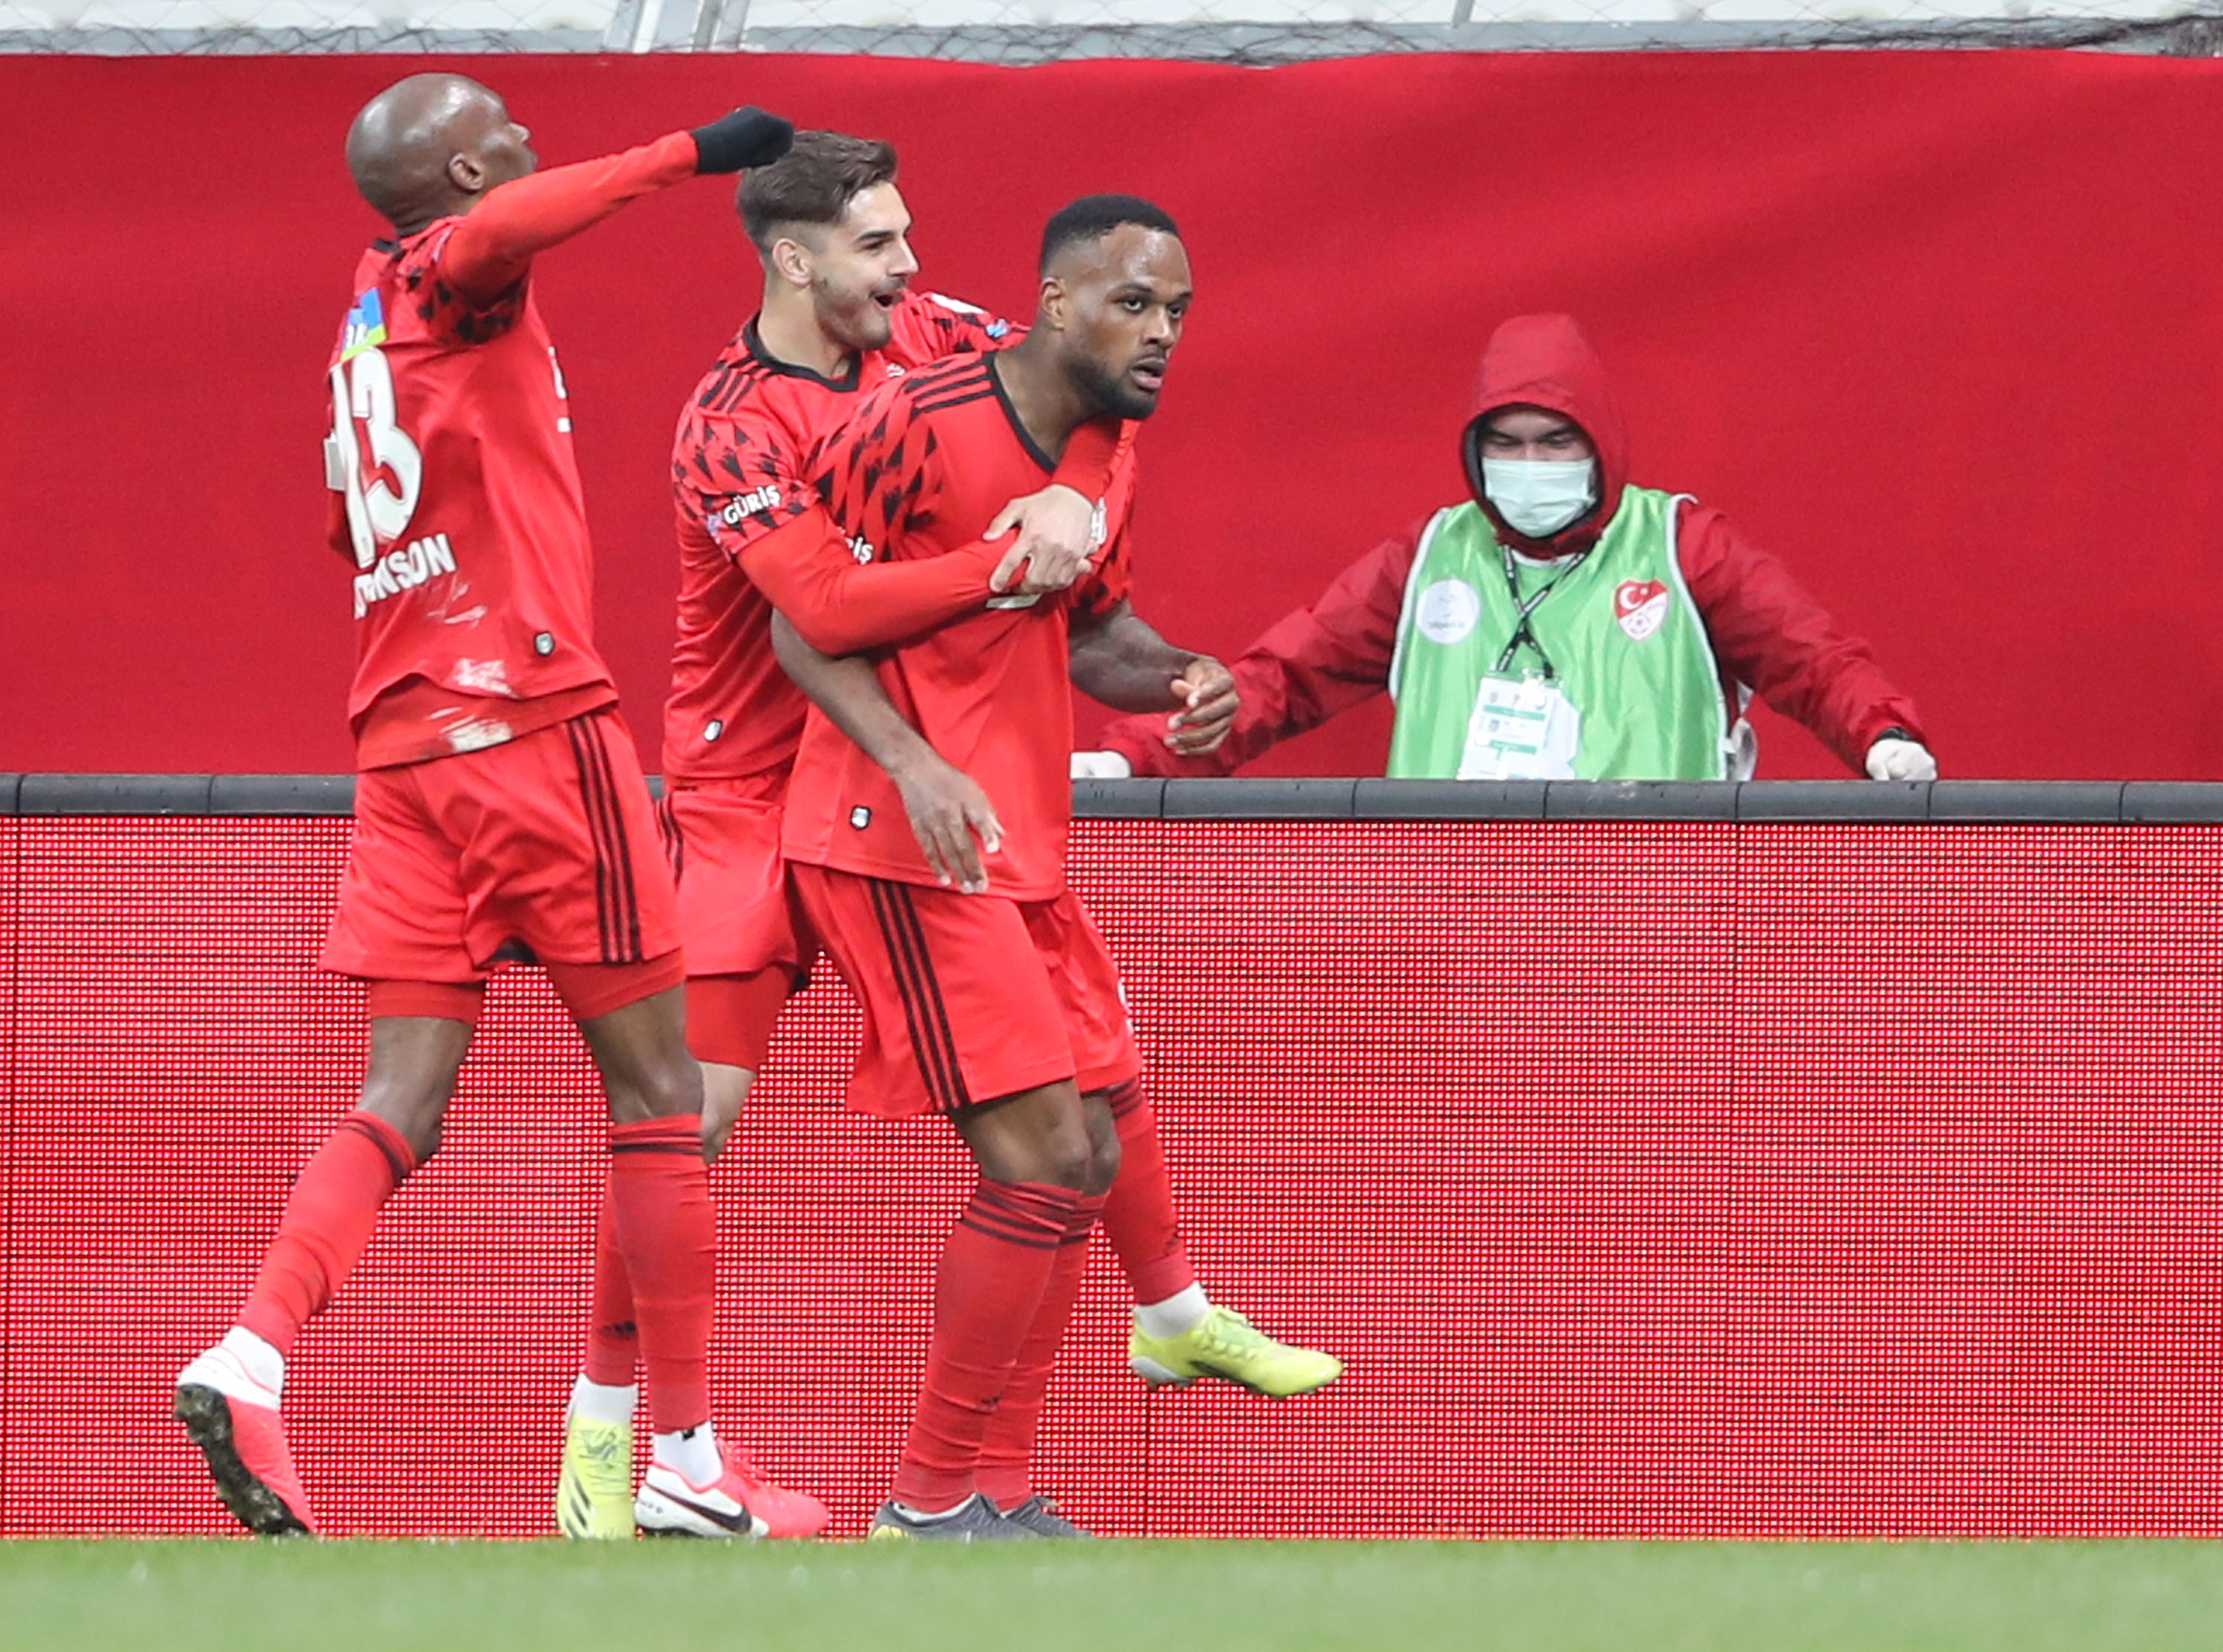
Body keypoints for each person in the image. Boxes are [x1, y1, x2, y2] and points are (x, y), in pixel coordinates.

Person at [558, 141, 1338, 1543]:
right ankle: (631, 1432)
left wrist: (1171, 660)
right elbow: (813, 606)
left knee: (1092, 1099)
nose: (912, 271)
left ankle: (1098, 1381)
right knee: (699, 1121)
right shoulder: (734, 424)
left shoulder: (982, 353)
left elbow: (1078, 514)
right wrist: (989, 590)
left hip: (943, 786)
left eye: (909, 237)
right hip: (767, 782)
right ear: (796, 263)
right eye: (877, 247)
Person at [171, 74, 794, 1540]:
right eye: (507, 127)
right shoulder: (448, 270)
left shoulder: (359, 326)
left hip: (400, 744)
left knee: (402, 1100)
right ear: (462, 169)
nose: (528, 138)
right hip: (525, 720)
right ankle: (687, 1455)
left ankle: (249, 1348)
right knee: (663, 1092)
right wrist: (692, 153)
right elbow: (507, 223)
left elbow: (345, 516)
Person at [772, 196, 1338, 1542]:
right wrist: (913, 762)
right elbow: (805, 628)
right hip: (895, 833)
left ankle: (995, 1496)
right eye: (1137, 305)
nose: (1163, 335)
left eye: (1181, 313)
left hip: (1016, 836)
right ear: (1059, 300)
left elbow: (1094, 632)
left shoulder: (1111, 441)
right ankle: (922, 1505)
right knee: (1040, 1157)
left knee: (1081, 1151)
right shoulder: (909, 421)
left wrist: (1187, 680)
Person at [1086, 312, 1936, 784]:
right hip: (1456, 922)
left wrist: (1883, 737)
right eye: (1509, 443)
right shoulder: (1428, 557)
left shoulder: (1684, 547)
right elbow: (1278, 681)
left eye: (1556, 442)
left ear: (1600, 442)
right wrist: (1136, 756)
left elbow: (1813, 660)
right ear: (1475, 451)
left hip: (1653, 917)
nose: (1530, 465)